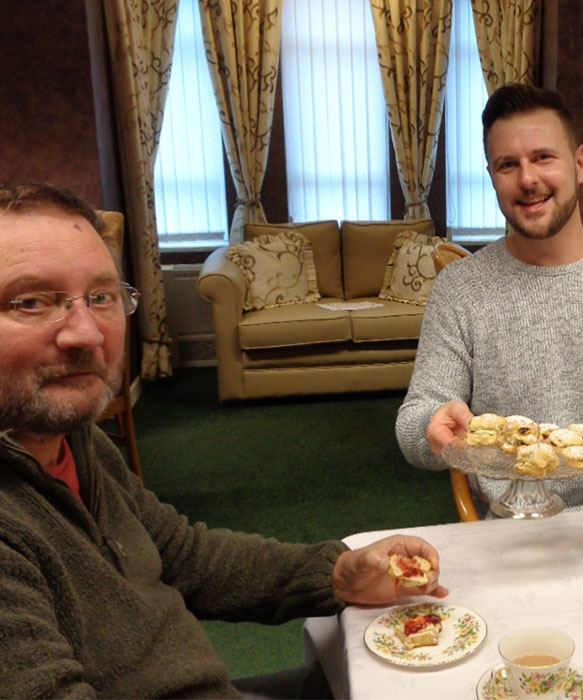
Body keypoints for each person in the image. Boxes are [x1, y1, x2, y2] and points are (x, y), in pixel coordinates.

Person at [0, 182, 447, 698]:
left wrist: (338, 574)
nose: (86, 333)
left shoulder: (77, 443)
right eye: (31, 301)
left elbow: (182, 555)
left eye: (100, 297)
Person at [395, 84, 583, 512]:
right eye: (508, 165)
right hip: (518, 526)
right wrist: (432, 426)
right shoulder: (460, 288)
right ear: (492, 178)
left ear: (579, 164)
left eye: (543, 157)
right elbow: (415, 419)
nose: (528, 179)